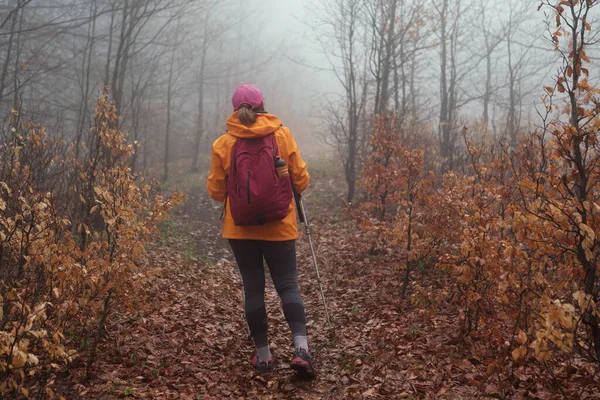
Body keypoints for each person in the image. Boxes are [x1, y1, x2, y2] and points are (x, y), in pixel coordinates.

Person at [206, 84, 315, 377]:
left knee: (253, 288)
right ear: (262, 105)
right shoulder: (282, 135)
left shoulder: (223, 144)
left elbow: (216, 191)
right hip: (279, 225)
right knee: (288, 285)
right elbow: (301, 179)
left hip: (240, 229)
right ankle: (302, 351)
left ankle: (264, 358)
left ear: (235, 110)